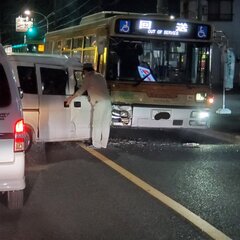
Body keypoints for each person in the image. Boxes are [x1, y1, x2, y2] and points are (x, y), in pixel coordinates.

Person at [66, 63, 112, 149]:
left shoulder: (88, 77)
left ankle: (96, 144)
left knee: (97, 124)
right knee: (105, 124)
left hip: (99, 103)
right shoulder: (100, 76)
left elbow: (81, 89)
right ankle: (104, 144)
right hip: (108, 102)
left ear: (85, 70)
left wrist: (71, 98)